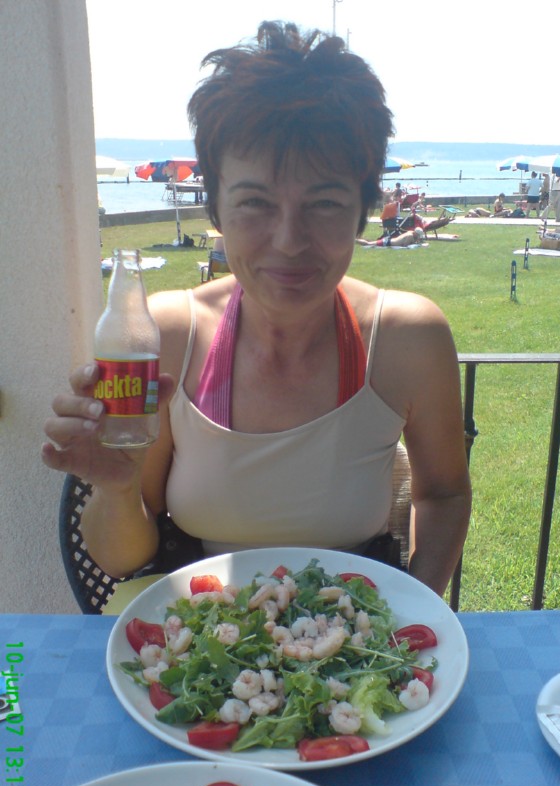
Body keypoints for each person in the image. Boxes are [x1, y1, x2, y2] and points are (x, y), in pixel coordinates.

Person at [42, 21, 471, 597]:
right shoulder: (167, 338)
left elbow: (443, 493)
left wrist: (418, 611)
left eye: (324, 203)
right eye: (255, 203)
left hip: (352, 633)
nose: (289, 242)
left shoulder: (406, 339)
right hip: (204, 635)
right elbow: (120, 561)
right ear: (217, 209)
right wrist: (117, 490)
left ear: (364, 210)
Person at [356, 227, 426, 247]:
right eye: (418, 235)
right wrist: (416, 244)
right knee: (368, 244)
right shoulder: (410, 236)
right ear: (416, 233)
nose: (418, 237)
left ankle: (356, 239)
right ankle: (354, 240)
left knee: (370, 242)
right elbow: (405, 245)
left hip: (388, 241)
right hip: (387, 243)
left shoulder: (410, 232)